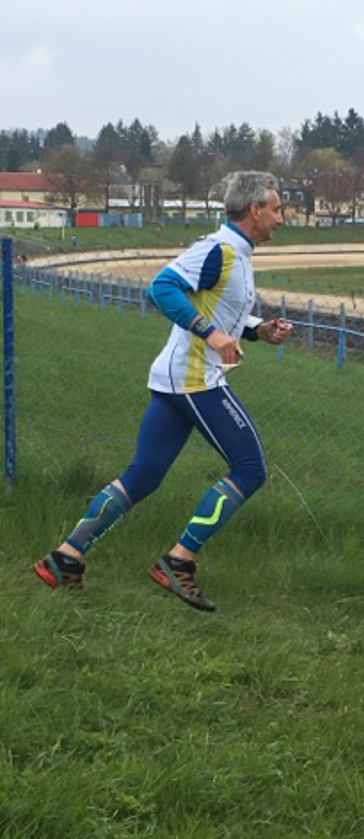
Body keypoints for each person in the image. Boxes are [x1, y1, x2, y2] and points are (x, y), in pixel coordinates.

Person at [32, 171, 293, 613]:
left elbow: (217, 310)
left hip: (178, 379)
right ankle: (178, 561)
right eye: (277, 208)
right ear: (255, 210)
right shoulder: (218, 250)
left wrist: (257, 330)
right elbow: (161, 288)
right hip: (195, 380)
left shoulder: (237, 255)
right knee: (250, 470)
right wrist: (211, 335)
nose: (281, 218)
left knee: (143, 475)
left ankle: (64, 559)